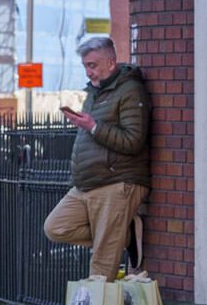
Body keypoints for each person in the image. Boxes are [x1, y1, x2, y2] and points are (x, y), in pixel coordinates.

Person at [44, 35, 150, 281]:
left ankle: (115, 238)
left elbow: (134, 140)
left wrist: (93, 126)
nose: (88, 72)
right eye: (85, 66)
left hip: (117, 182)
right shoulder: (95, 92)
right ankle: (125, 234)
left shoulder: (130, 91)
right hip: (87, 184)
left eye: (92, 65)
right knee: (56, 227)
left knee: (101, 267)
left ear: (110, 63)